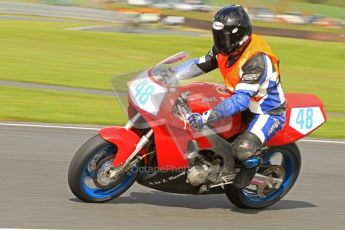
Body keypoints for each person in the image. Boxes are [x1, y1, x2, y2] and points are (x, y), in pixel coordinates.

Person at [175, 5, 286, 188]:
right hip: (238, 99)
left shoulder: (256, 59)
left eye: (224, 37)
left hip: (265, 111)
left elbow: (241, 100)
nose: (220, 42)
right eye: (217, 36)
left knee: (243, 149)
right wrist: (170, 75)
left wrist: (206, 117)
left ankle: (251, 165)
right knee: (190, 104)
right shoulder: (225, 48)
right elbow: (199, 65)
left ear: (238, 36)